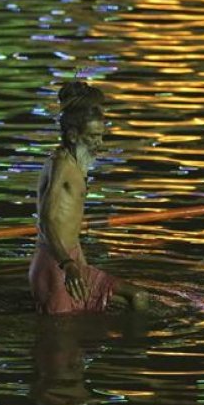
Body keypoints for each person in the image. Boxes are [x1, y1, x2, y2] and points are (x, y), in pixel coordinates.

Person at [29, 80, 149, 314]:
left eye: (101, 136)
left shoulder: (76, 165)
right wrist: (68, 265)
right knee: (64, 341)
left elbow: (69, 227)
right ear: (73, 136)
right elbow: (46, 222)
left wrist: (79, 262)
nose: (100, 144)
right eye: (93, 137)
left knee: (137, 299)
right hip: (56, 266)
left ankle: (133, 349)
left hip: (71, 262)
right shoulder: (60, 163)